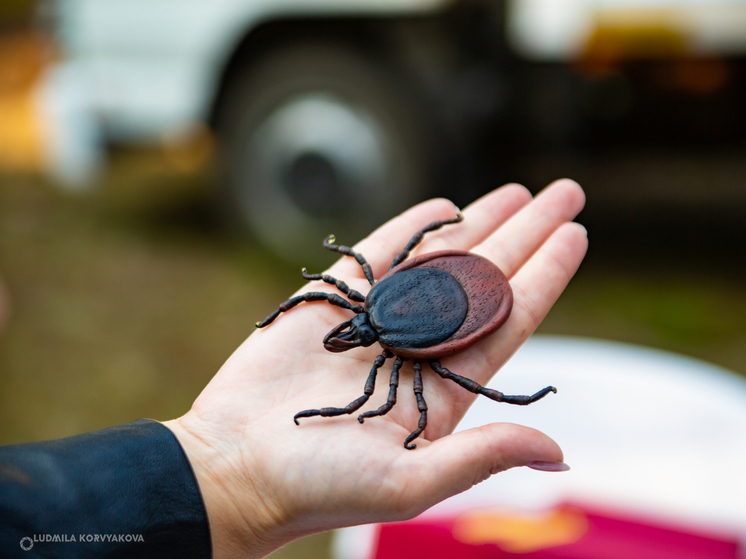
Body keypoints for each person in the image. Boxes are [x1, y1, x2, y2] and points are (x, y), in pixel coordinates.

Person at [0, 179, 587, 559]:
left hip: (453, 301)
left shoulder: (369, 307)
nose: (347, 331)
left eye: (352, 327)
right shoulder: (370, 308)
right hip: (453, 302)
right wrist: (223, 484)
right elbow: (371, 383)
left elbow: (370, 390)